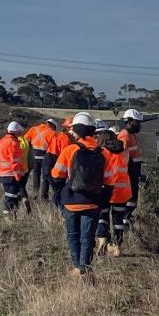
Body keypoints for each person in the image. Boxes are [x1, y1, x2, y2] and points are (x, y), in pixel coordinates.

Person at [50, 112, 114, 275]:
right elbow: (110, 181)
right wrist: (103, 201)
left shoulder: (69, 150)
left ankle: (77, 267)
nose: (71, 132)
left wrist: (59, 194)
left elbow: (56, 174)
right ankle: (84, 268)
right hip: (93, 203)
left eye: (73, 129)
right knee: (88, 237)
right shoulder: (104, 153)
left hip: (71, 201)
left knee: (73, 235)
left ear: (79, 129)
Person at [95, 122, 131, 257]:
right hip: (123, 191)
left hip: (106, 190)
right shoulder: (125, 152)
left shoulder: (102, 152)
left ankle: (103, 238)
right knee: (118, 219)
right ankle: (117, 245)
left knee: (103, 215)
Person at [0, 121, 26, 217]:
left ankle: (11, 217)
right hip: (11, 175)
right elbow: (15, 162)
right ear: (16, 132)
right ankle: (9, 218)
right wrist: (18, 176)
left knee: (10, 196)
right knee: (11, 197)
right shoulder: (13, 143)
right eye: (19, 133)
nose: (20, 135)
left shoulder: (1, 142)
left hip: (3, 173)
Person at [119, 108, 144, 221]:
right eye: (137, 122)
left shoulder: (131, 135)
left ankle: (127, 217)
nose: (139, 125)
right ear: (129, 121)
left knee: (133, 198)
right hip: (128, 173)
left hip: (133, 172)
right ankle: (125, 218)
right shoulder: (125, 136)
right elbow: (122, 157)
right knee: (129, 199)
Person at [24, 117, 55, 201]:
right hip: (45, 157)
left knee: (36, 174)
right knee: (46, 177)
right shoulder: (52, 133)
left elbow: (25, 140)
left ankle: (35, 194)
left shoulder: (33, 129)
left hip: (34, 156)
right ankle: (44, 197)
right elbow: (53, 147)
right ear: (53, 125)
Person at [45, 118, 72, 207]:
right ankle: (57, 207)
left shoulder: (62, 136)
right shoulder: (65, 139)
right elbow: (65, 155)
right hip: (52, 163)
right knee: (58, 189)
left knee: (57, 189)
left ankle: (54, 206)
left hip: (49, 162)